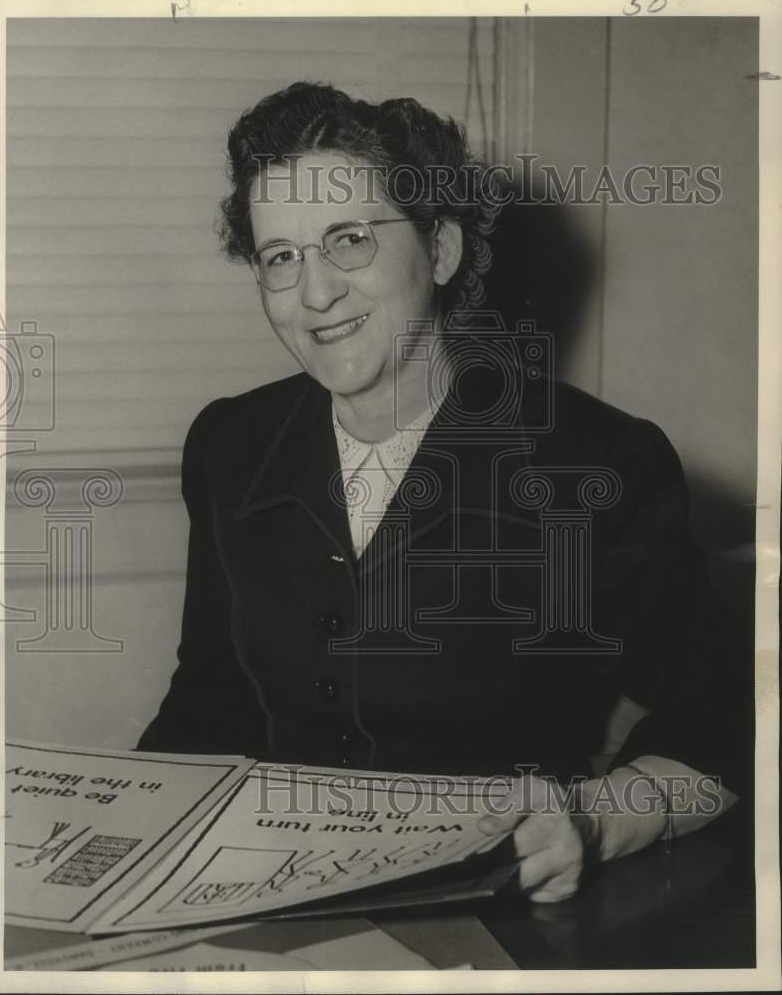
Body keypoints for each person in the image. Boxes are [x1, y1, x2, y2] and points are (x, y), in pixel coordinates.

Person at [139, 82, 742, 903]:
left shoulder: (596, 462)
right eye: (280, 256)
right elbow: (210, 699)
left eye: (348, 240)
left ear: (443, 250)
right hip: (274, 902)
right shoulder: (230, 444)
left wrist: (593, 822)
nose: (313, 294)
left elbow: (726, 728)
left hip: (500, 907)